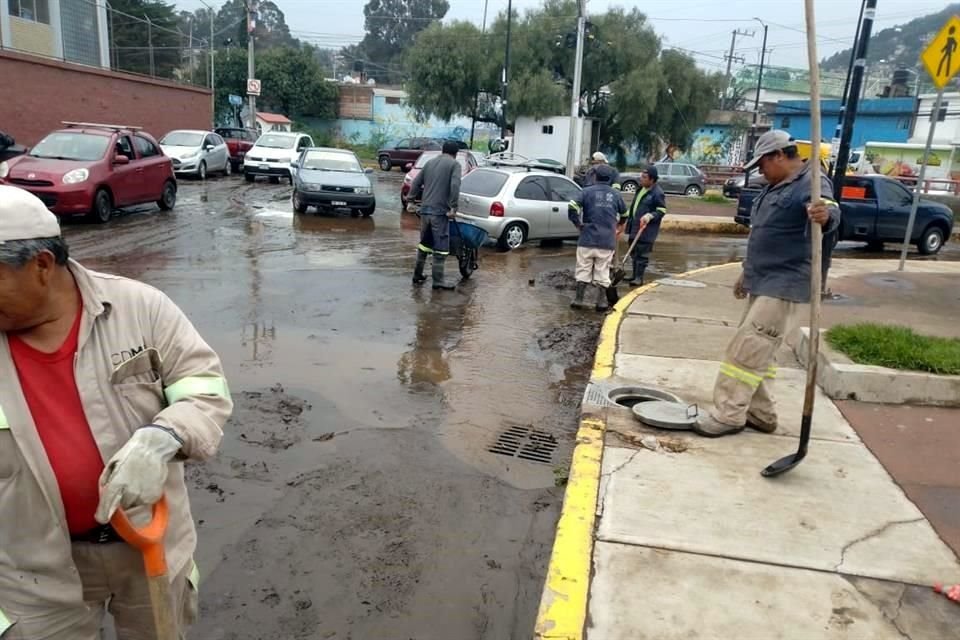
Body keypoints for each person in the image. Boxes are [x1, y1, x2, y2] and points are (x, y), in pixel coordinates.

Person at [0, 186, 232, 638]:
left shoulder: (139, 309)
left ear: (42, 266)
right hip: (31, 575)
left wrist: (163, 437)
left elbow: (205, 391)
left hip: (149, 550)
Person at [694, 131, 840, 438]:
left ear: (779, 156)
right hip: (764, 281)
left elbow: (830, 210)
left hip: (786, 285)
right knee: (759, 354)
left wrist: (825, 215)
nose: (760, 171)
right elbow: (764, 235)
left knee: (745, 352)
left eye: (762, 164)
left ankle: (728, 415)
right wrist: (747, 273)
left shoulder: (811, 182)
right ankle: (761, 414)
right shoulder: (775, 186)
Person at [568, 164, 627, 313]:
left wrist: (578, 224)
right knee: (603, 271)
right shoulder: (615, 194)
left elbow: (572, 206)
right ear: (610, 178)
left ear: (595, 176)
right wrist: (618, 226)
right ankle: (601, 302)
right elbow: (625, 214)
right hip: (607, 241)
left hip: (587, 239)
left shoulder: (586, 192)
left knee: (583, 268)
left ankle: (579, 299)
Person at [407, 140, 462, 291]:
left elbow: (416, 182)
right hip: (440, 213)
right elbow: (455, 185)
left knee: (425, 244)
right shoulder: (454, 165)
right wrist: (453, 207)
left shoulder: (430, 163)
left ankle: (417, 275)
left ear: (442, 151)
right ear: (455, 154)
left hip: (425, 211)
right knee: (441, 247)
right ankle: (438, 281)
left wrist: (410, 200)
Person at [624, 165, 667, 286]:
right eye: (641, 176)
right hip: (634, 226)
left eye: (644, 177)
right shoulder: (640, 189)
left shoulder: (657, 193)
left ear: (652, 179)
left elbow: (661, 210)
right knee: (634, 252)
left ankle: (639, 277)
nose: (641, 179)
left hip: (646, 230)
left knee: (642, 254)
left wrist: (650, 216)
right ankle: (634, 275)